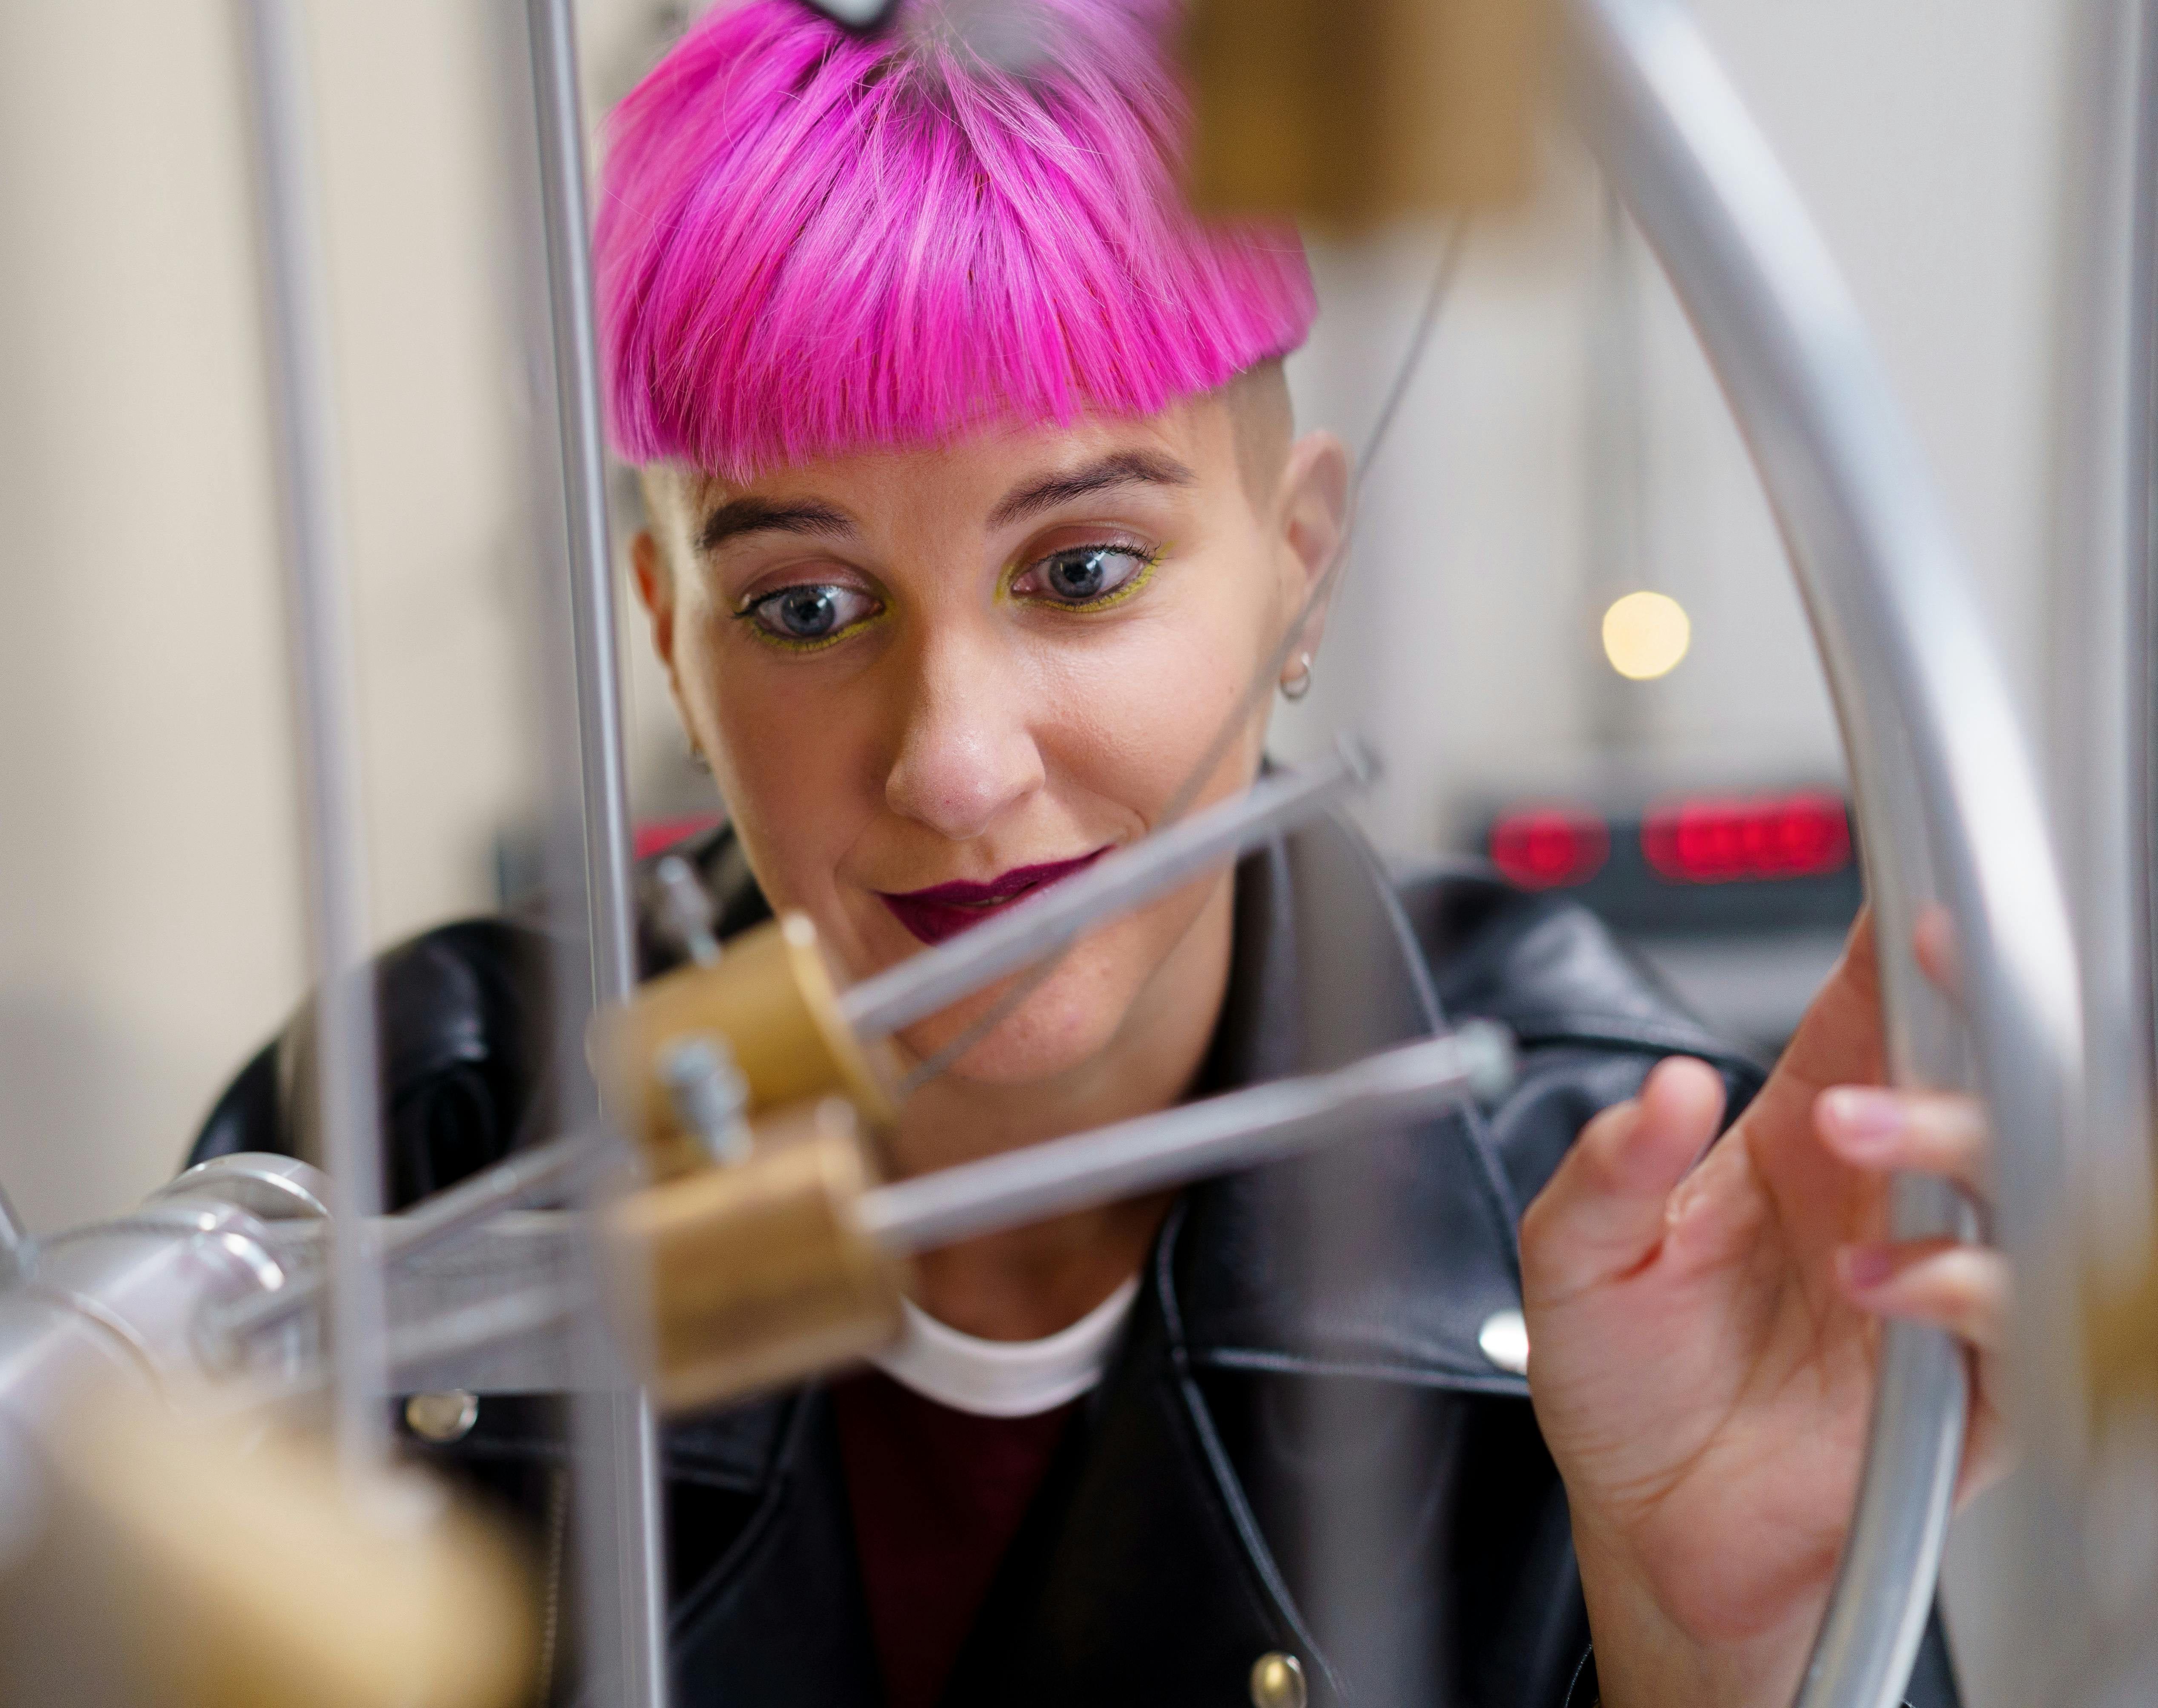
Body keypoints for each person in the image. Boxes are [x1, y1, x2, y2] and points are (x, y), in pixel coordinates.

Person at [193, 0, 2005, 1701]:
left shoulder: (1637, 1217)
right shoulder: (415, 1147)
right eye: (808, 605)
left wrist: (1726, 1640)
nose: (956, 765)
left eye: (1080, 573)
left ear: (1301, 561)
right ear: (667, 630)